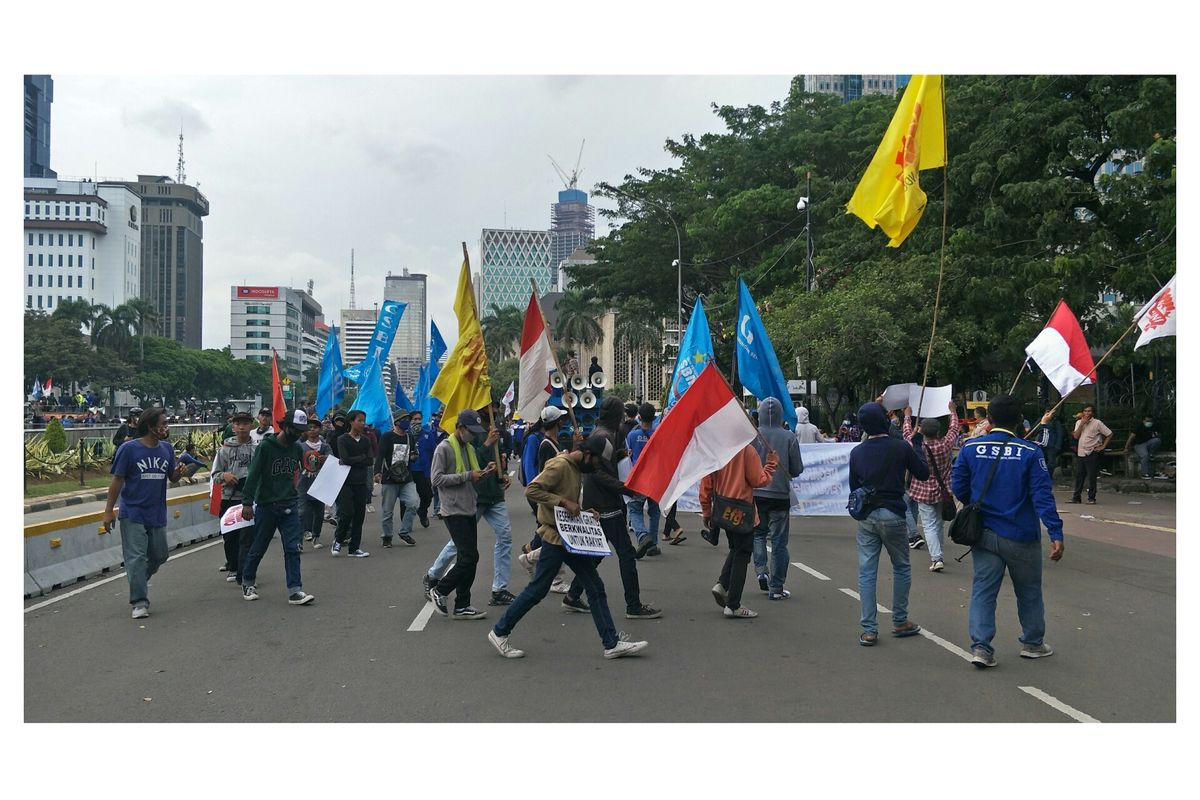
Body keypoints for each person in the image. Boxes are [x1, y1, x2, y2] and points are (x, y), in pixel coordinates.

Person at [487, 434, 649, 659]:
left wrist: (583, 513)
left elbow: (567, 505)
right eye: (595, 462)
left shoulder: (575, 468)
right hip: (555, 538)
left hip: (569, 537)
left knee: (595, 587)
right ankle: (500, 631)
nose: (594, 468)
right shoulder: (560, 465)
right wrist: (564, 503)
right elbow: (532, 490)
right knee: (538, 589)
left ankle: (611, 643)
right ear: (588, 454)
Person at [952, 393, 1064, 667]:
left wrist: (975, 504)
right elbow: (1042, 497)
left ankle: (981, 648)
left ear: (988, 418)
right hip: (1021, 535)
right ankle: (1032, 643)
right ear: (1018, 421)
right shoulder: (1030, 452)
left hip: (984, 534)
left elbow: (958, 487)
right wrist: (1055, 532)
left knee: (983, 590)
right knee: (1028, 591)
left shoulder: (969, 448)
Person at [562, 397, 662, 620]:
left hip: (600, 502)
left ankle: (572, 595)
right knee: (626, 555)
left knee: (596, 555)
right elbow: (596, 471)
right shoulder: (602, 436)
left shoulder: (604, 433)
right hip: (605, 505)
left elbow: (604, 463)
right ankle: (633, 605)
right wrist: (624, 488)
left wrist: (619, 456)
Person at [848, 402, 929, 646]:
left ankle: (869, 629)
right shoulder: (901, 447)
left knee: (867, 571)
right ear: (885, 421)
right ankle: (900, 620)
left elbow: (855, 488)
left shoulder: (857, 452)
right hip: (894, 514)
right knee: (901, 567)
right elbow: (923, 473)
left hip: (867, 518)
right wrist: (915, 444)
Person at [102, 407, 185, 618]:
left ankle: (137, 579)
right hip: (132, 512)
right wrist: (108, 511)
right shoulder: (129, 449)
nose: (166, 427)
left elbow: (171, 477)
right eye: (163, 423)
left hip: (156, 512)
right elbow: (117, 480)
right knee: (137, 557)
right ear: (150, 426)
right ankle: (139, 601)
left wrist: (180, 472)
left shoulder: (166, 449)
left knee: (160, 555)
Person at [423, 420, 516, 606]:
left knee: (500, 540)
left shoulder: (495, 431)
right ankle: (435, 579)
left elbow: (489, 466)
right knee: (462, 549)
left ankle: (492, 592)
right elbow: (445, 476)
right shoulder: (451, 445)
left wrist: (498, 474)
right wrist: (486, 444)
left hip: (492, 496)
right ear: (462, 427)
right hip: (465, 503)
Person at [239, 409, 316, 606]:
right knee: (259, 547)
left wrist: (315, 463)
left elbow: (307, 465)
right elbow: (253, 475)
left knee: (292, 549)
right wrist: (247, 502)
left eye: (302, 431)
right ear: (286, 426)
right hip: (267, 505)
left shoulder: (296, 448)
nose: (299, 434)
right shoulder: (266, 447)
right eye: (296, 430)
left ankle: (295, 590)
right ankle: (248, 582)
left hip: (289, 503)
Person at [426, 409, 496, 620]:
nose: (473, 435)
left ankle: (463, 604)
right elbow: (436, 480)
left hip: (468, 507)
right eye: (471, 431)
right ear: (460, 428)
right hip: (452, 509)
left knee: (470, 557)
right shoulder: (444, 448)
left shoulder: (470, 449)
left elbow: (472, 478)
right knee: (469, 557)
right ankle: (440, 590)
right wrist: (468, 475)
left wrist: (485, 472)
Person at [701, 441, 779, 619]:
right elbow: (759, 479)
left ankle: (722, 584)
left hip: (723, 509)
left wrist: (706, 510)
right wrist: (771, 464)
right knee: (742, 554)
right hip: (743, 511)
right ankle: (733, 604)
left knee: (736, 549)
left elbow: (706, 483)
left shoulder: (717, 450)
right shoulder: (747, 451)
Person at [751, 397, 804, 599]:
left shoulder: (753, 437)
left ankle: (761, 570)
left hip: (756, 493)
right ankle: (776, 587)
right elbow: (797, 468)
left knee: (758, 535)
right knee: (779, 542)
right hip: (780, 495)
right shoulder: (789, 437)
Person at [902, 401, 960, 572]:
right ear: (938, 432)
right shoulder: (945, 444)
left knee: (928, 525)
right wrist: (953, 412)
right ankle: (938, 554)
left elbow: (906, 433)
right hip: (944, 491)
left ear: (921, 431)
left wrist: (907, 416)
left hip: (922, 491)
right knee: (939, 524)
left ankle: (937, 558)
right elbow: (954, 429)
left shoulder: (915, 445)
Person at [375, 410, 420, 547]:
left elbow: (412, 455)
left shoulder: (409, 437)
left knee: (413, 503)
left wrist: (413, 457)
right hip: (390, 478)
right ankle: (387, 537)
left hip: (406, 477)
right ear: (397, 422)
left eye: (408, 419)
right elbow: (380, 455)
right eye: (404, 419)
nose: (407, 421)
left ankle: (404, 532)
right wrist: (377, 472)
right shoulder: (387, 437)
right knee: (388, 511)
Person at [332, 409, 373, 557]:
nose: (362, 423)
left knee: (359, 516)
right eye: (359, 420)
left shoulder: (366, 440)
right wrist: (359, 458)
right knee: (347, 513)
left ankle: (354, 548)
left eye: (364, 421)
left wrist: (354, 459)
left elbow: (369, 460)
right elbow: (345, 459)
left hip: (361, 482)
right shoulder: (342, 439)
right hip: (345, 482)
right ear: (351, 421)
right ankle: (338, 540)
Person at [625, 403, 662, 557]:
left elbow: (628, 454)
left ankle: (642, 536)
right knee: (654, 511)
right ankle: (653, 543)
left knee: (634, 509)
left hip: (638, 478)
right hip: (655, 478)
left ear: (639, 417)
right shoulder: (658, 435)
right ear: (654, 418)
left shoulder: (632, 435)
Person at [298, 418, 331, 550]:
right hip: (303, 483)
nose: (312, 429)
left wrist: (325, 459)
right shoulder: (300, 447)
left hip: (320, 482)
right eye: (309, 427)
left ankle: (316, 535)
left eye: (315, 427)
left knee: (319, 511)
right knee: (301, 511)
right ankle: (298, 541)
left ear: (320, 430)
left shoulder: (325, 447)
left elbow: (332, 460)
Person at [1070, 404, 1112, 504]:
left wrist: (1103, 446)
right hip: (1081, 452)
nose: (1087, 413)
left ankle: (1091, 498)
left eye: (1089, 411)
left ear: (1092, 413)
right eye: (1085, 411)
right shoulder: (1079, 422)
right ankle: (1076, 497)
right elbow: (1076, 436)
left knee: (1092, 476)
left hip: (1092, 452)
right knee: (1079, 475)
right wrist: (1081, 424)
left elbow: (1109, 434)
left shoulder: (1097, 423)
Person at [408, 410, 437, 527]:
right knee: (407, 500)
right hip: (408, 471)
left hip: (423, 471)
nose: (418, 421)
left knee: (427, 495)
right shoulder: (405, 434)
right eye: (415, 419)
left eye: (419, 419)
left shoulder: (427, 435)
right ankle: (406, 525)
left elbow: (435, 452)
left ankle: (422, 512)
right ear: (410, 421)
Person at [1124, 414, 1162, 479]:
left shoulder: (1153, 426)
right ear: (1143, 421)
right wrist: (1126, 447)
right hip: (1139, 444)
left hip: (1148, 443)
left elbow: (1159, 436)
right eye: (1147, 421)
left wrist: (1157, 434)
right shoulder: (1139, 427)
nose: (1149, 423)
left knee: (1157, 440)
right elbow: (1131, 437)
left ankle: (1151, 453)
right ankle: (1144, 473)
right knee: (1145, 455)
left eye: (1150, 421)